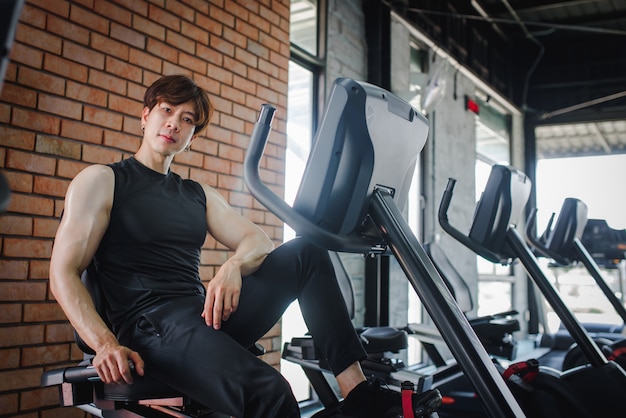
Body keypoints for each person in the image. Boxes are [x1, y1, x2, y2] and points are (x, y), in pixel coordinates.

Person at [49, 74, 417, 417]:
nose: (175, 123)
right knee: (271, 391)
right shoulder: (102, 180)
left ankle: (356, 392)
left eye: (188, 119)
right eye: (166, 110)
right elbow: (63, 272)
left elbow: (258, 240)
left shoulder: (196, 194)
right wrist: (104, 343)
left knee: (307, 253)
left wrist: (233, 267)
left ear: (193, 136)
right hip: (151, 325)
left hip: (201, 316)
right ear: (146, 117)